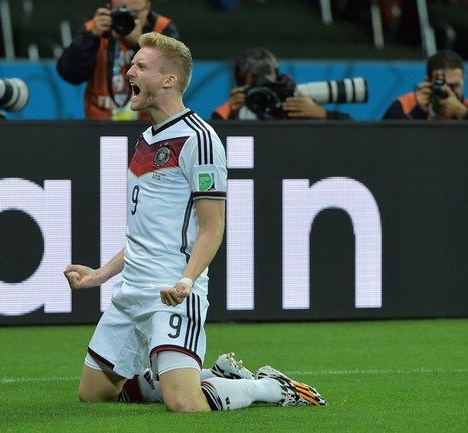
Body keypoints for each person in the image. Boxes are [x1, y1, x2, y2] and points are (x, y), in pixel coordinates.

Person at [64, 32, 326, 413]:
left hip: (171, 292)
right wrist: (99, 276)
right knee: (94, 393)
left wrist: (186, 281)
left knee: (185, 404)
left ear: (169, 79)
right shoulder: (145, 140)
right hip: (130, 293)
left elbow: (212, 227)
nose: (129, 71)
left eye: (141, 66)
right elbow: (144, 234)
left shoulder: (199, 139)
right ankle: (210, 376)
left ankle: (268, 387)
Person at [56, 0, 179, 120]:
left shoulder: (161, 28)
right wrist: (91, 38)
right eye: (121, 11)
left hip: (148, 125)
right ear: (109, 8)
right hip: (101, 125)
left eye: (135, 13)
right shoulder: (94, 28)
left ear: (147, 9)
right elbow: (70, 74)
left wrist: (140, 44)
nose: (127, 18)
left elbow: (173, 78)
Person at [211, 47, 351, 120]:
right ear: (241, 86)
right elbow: (213, 145)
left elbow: (353, 131)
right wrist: (232, 116)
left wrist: (322, 114)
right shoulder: (234, 107)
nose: (263, 84)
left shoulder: (293, 103)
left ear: (278, 76)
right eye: (254, 80)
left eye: (267, 79)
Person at [382, 50, 468, 120]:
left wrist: (463, 114)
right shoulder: (404, 105)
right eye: (443, 85)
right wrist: (418, 111)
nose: (450, 92)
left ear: (463, 79)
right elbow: (387, 135)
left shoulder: (465, 107)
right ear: (427, 81)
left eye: (455, 85)